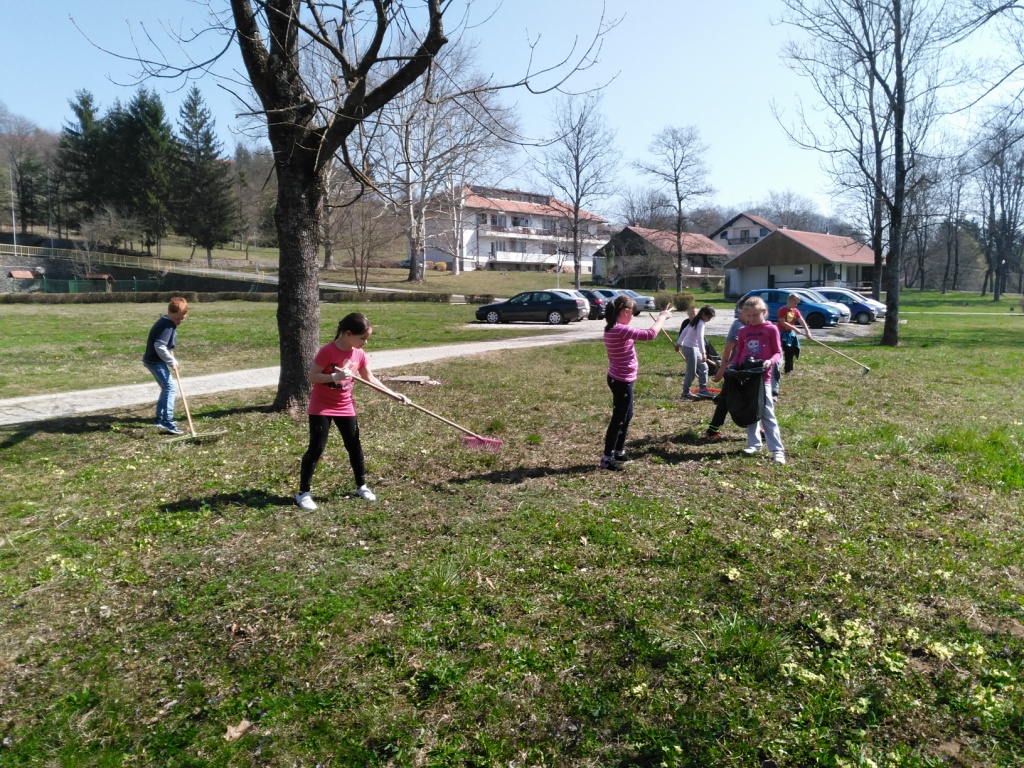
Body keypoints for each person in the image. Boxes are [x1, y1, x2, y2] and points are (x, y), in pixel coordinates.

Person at [296, 312, 409, 510]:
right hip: (321, 407)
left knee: (354, 446)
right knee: (317, 448)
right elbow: (313, 376)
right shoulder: (327, 351)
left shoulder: (359, 354)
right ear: (348, 334)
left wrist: (393, 395)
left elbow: (370, 379)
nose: (365, 342)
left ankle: (361, 486)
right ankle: (303, 493)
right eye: (362, 338)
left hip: (345, 406)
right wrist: (334, 377)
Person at [601, 295, 674, 470]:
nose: (633, 316)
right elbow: (650, 334)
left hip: (620, 379)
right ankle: (607, 458)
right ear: (626, 311)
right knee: (619, 418)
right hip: (621, 381)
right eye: (632, 313)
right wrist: (662, 317)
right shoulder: (620, 330)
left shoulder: (614, 328)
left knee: (627, 415)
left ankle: (619, 451)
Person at [730, 296, 786, 464]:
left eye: (755, 315)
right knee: (750, 411)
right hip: (746, 376)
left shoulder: (771, 329)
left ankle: (777, 449)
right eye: (749, 316)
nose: (752, 319)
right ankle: (753, 443)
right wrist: (732, 365)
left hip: (763, 378)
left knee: (767, 412)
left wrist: (770, 361)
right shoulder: (743, 331)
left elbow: (778, 352)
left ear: (764, 312)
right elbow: (739, 353)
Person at [142, 296, 189, 435]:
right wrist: (171, 361)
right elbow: (160, 346)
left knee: (166, 387)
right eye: (177, 318)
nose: (179, 321)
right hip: (155, 361)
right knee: (170, 387)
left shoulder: (167, 321)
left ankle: (160, 418)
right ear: (169, 313)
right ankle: (167, 420)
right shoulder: (167, 326)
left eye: (182, 318)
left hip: (154, 360)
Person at [705, 302, 748, 440]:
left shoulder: (743, 325)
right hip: (734, 371)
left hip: (737, 370)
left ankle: (713, 429)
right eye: (748, 314)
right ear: (740, 312)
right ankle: (756, 429)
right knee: (746, 399)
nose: (751, 317)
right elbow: (728, 349)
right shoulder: (739, 327)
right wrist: (721, 370)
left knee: (724, 399)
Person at [774, 293, 812, 398]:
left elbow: (801, 321)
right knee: (778, 352)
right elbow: (783, 322)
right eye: (795, 303)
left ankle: (788, 370)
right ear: (789, 301)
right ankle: (775, 370)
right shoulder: (782, 310)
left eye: (797, 303)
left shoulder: (795, 311)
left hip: (790, 335)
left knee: (790, 352)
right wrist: (795, 328)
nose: (796, 305)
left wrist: (807, 331)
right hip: (781, 334)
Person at [676, 305, 716, 400]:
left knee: (704, 367)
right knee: (691, 372)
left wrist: (678, 343)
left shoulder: (697, 320)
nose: (709, 320)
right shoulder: (699, 322)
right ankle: (685, 392)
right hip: (690, 348)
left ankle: (703, 389)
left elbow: (685, 331)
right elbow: (699, 338)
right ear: (703, 314)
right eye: (709, 317)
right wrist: (703, 353)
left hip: (694, 348)